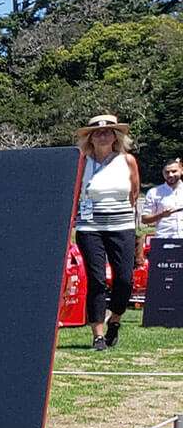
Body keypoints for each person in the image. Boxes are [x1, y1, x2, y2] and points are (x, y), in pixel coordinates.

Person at [74, 114, 140, 350]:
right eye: (97, 133)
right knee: (96, 279)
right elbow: (75, 192)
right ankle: (98, 335)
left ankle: (115, 319)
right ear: (90, 138)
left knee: (124, 278)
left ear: (116, 136)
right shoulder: (82, 162)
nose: (102, 136)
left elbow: (134, 193)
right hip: (90, 227)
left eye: (107, 132)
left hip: (121, 226)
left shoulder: (127, 161)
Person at [143, 159, 183, 240]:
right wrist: (161, 215)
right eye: (167, 172)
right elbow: (144, 219)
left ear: (181, 171)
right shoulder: (153, 192)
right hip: (164, 239)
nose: (170, 175)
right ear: (163, 173)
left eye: (174, 171)